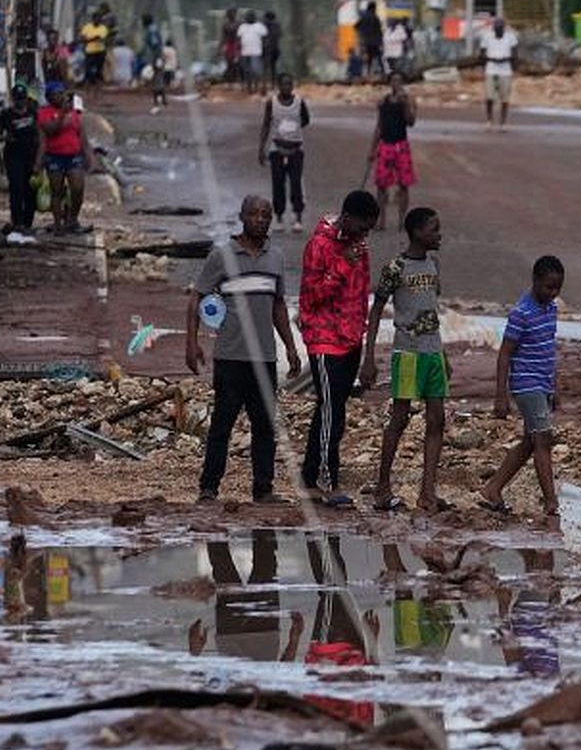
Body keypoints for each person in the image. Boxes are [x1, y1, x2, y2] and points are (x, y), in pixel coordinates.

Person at [186, 195, 301, 504]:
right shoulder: (222, 256)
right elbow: (197, 298)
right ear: (242, 217)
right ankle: (208, 488)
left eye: (266, 215)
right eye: (254, 214)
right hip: (230, 357)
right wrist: (191, 343)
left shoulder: (275, 258)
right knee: (222, 426)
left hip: (264, 357)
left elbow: (278, 305)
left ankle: (263, 489)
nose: (260, 219)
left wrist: (290, 347)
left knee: (264, 426)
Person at [359, 207, 450, 514]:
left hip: (433, 352)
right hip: (408, 353)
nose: (439, 235)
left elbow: (431, 311)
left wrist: (443, 354)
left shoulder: (434, 265)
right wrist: (369, 356)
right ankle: (383, 488)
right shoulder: (395, 268)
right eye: (434, 229)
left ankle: (428, 492)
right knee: (399, 419)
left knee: (437, 420)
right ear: (417, 232)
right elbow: (375, 311)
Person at [298, 190, 381, 508]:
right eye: (362, 227)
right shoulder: (319, 246)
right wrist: (342, 266)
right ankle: (326, 481)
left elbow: (360, 295)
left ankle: (311, 478)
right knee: (331, 413)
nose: (365, 234)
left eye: (369, 229)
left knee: (332, 410)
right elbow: (311, 297)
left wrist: (362, 338)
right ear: (346, 218)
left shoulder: (359, 246)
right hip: (324, 340)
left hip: (350, 339)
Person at [480, 255, 566, 517]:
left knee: (530, 442)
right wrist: (500, 395)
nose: (553, 293)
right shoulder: (521, 313)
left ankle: (493, 488)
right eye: (548, 287)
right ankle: (551, 502)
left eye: (557, 288)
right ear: (535, 281)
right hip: (526, 384)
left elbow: (548, 349)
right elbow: (505, 354)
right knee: (543, 439)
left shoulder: (551, 309)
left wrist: (554, 386)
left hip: (542, 383)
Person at [37, 82, 94, 233]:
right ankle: (58, 223)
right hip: (54, 156)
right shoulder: (45, 113)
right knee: (57, 190)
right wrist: (62, 114)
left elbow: (81, 135)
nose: (61, 97)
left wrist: (88, 154)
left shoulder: (74, 113)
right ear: (49, 97)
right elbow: (51, 131)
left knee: (78, 188)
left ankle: (72, 219)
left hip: (73, 156)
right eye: (57, 94)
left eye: (62, 93)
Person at [258, 73, 311, 233]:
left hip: (296, 149)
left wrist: (292, 128)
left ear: (293, 86)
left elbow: (306, 119)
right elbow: (266, 125)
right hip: (277, 149)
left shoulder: (299, 102)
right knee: (278, 184)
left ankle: (298, 217)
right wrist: (261, 148)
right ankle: (279, 217)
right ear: (278, 86)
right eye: (284, 84)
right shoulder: (271, 103)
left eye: (289, 84)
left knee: (296, 184)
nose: (287, 87)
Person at [368, 71, 416, 231]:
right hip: (385, 145)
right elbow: (379, 126)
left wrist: (405, 105)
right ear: (389, 83)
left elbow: (411, 122)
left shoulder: (409, 100)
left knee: (403, 185)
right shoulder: (384, 101)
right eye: (393, 80)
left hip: (401, 146)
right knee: (381, 185)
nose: (396, 83)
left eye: (399, 80)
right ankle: (381, 221)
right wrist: (372, 149)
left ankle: (402, 221)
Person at [0, 84, 40, 236]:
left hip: (31, 156)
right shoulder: (6, 115)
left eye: (22, 99)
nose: (20, 102)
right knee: (17, 189)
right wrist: (5, 137)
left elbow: (39, 133)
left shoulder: (33, 113)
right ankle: (17, 222)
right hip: (14, 157)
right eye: (18, 99)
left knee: (31, 190)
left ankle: (28, 222)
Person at [478, 15, 519, 129]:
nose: (498, 29)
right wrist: (487, 61)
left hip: (505, 70)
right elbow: (481, 53)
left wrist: (512, 64)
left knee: (505, 98)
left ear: (504, 28)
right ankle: (489, 120)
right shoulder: (487, 37)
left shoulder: (510, 37)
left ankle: (503, 121)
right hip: (491, 68)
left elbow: (515, 53)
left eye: (500, 27)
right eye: (496, 27)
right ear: (493, 28)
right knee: (489, 96)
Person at [237, 10, 268, 95]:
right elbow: (238, 39)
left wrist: (265, 49)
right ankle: (249, 88)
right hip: (245, 52)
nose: (249, 18)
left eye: (251, 16)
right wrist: (238, 51)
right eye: (247, 16)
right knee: (247, 71)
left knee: (256, 71)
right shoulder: (242, 27)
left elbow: (265, 38)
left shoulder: (260, 26)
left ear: (254, 17)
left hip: (256, 52)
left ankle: (257, 86)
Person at [79, 11, 109, 86]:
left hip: (100, 51)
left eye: (99, 19)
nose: (98, 20)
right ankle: (89, 81)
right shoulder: (87, 27)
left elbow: (100, 38)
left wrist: (88, 40)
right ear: (93, 19)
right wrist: (92, 39)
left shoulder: (103, 28)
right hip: (89, 51)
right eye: (96, 18)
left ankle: (97, 83)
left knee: (99, 69)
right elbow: (82, 37)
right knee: (88, 68)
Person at [356, 2, 384, 78]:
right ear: (373, 8)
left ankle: (367, 73)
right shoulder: (376, 17)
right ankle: (382, 72)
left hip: (365, 41)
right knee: (378, 57)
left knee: (368, 58)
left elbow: (356, 26)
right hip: (374, 42)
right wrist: (381, 41)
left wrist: (362, 32)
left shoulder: (363, 17)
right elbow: (379, 31)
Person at [221, 8, 242, 85]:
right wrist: (221, 47)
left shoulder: (239, 23)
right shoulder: (225, 25)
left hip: (237, 44)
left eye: (233, 13)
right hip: (229, 44)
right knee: (229, 61)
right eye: (230, 14)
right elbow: (223, 37)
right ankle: (230, 78)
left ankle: (237, 77)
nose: (232, 15)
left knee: (237, 62)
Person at [263, 11, 282, 82]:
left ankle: (266, 81)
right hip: (275, 48)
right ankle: (274, 81)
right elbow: (280, 35)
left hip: (267, 48)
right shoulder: (277, 25)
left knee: (265, 66)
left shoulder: (265, 25)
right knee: (273, 66)